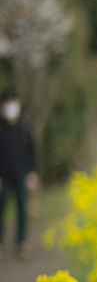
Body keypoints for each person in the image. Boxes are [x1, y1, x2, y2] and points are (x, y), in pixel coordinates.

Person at [0, 91, 39, 261]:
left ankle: (21, 242)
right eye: (6, 103)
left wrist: (32, 173)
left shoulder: (25, 126)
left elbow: (32, 151)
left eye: (12, 102)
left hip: (22, 174)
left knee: (23, 209)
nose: (9, 107)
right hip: (3, 176)